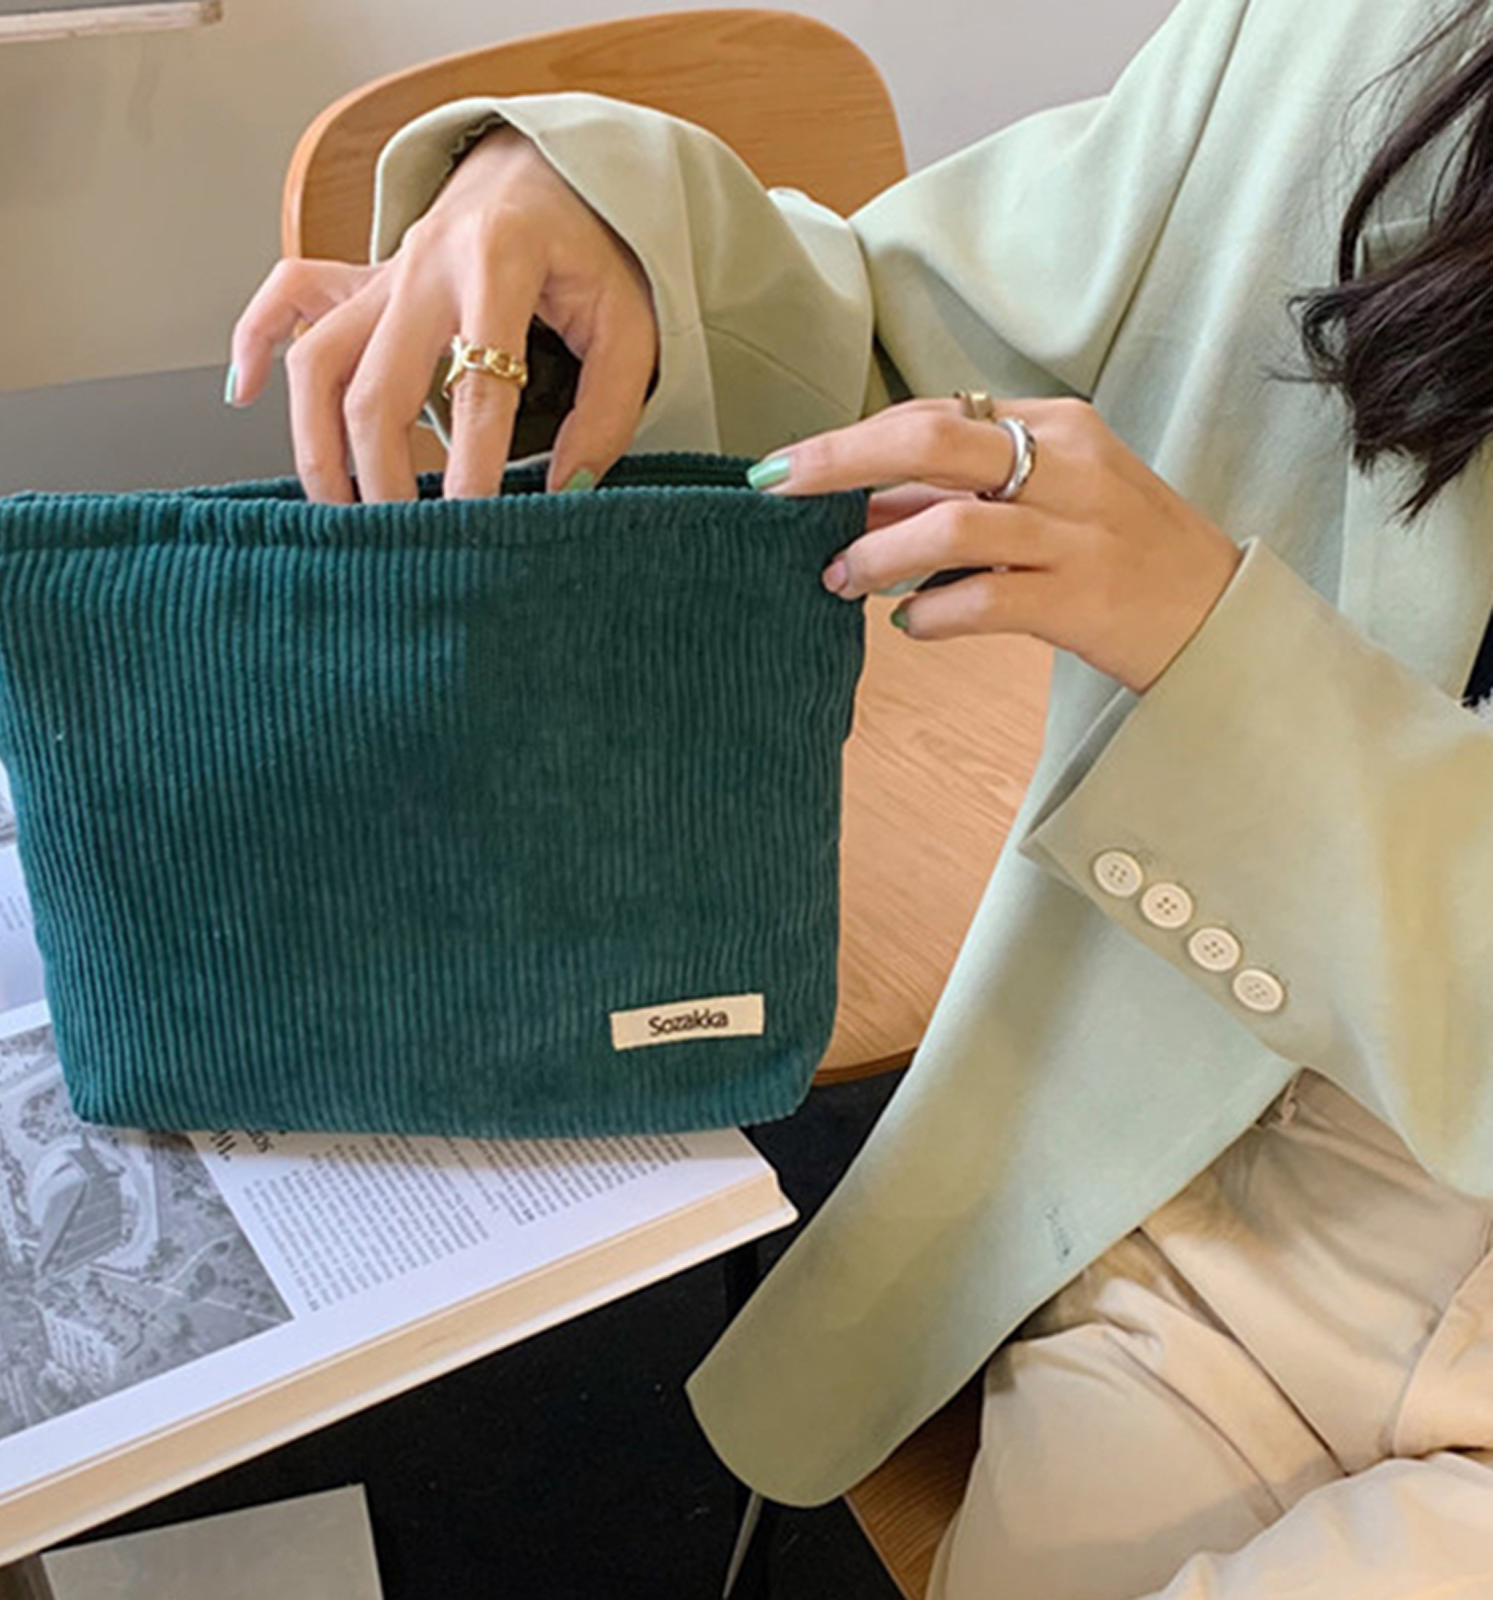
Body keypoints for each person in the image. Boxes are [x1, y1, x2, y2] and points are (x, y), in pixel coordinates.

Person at [230, 0, 1493, 1592]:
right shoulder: (1362, 31)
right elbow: (902, 337)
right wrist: (596, 231)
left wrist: (1219, 654)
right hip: (1211, 1180)